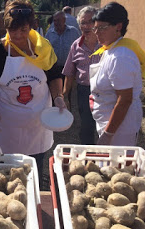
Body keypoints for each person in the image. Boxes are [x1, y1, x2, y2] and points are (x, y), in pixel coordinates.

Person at [0, 0, 65, 189]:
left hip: (37, 127)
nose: (17, 35)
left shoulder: (43, 48)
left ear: (32, 25)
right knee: (6, 182)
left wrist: (58, 97)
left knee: (33, 175)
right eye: (12, 29)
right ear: (6, 27)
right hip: (6, 129)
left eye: (23, 29)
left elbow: (54, 76)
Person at [89, 2, 145, 146]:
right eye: (95, 28)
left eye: (102, 28)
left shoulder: (121, 56)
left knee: (117, 166)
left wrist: (108, 134)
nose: (97, 32)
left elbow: (124, 99)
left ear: (118, 27)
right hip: (108, 123)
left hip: (119, 130)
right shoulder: (110, 49)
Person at [62, 6, 100, 145]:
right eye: (83, 23)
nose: (87, 26)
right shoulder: (76, 46)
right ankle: (88, 157)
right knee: (86, 127)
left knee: (105, 126)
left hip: (105, 92)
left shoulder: (107, 44)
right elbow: (69, 73)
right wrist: (65, 96)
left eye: (90, 21)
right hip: (84, 91)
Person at [45, 11, 80, 108]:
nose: (56, 23)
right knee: (55, 95)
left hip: (69, 71)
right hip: (55, 70)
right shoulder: (49, 34)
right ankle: (55, 116)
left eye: (58, 20)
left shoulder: (74, 32)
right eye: (55, 21)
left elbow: (80, 48)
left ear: (64, 20)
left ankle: (67, 117)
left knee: (68, 95)